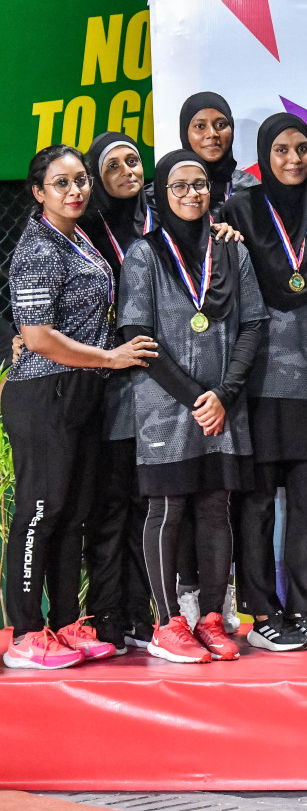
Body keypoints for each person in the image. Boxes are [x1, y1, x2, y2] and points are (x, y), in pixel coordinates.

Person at [3, 145, 156, 669]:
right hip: (44, 394)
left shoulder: (80, 237)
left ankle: (66, 625)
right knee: (39, 514)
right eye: (61, 183)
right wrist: (111, 358)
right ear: (38, 193)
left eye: (80, 180)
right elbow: (38, 338)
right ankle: (25, 634)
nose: (75, 191)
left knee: (71, 516)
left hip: (82, 393)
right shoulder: (37, 249)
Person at [118, 151, 269, 663]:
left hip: (223, 406)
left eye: (200, 184)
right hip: (166, 406)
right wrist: (196, 399)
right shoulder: (144, 254)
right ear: (161, 193)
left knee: (214, 508)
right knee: (169, 507)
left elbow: (253, 324)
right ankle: (167, 624)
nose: (191, 194)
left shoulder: (232, 251)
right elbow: (138, 336)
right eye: (179, 186)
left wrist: (223, 396)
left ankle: (210, 617)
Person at [221, 114, 307, 652]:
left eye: (302, 148)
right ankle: (261, 613)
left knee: (306, 503)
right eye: (281, 150)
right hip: (255, 382)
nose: (294, 159)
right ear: (265, 154)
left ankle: (304, 609)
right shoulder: (237, 213)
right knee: (255, 505)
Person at [79, 132, 157, 653]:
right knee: (111, 508)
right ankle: (107, 613)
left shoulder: (164, 220)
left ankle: (141, 612)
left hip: (162, 385)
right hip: (107, 387)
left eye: (134, 160)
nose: (128, 171)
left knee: (148, 505)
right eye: (113, 166)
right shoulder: (83, 229)